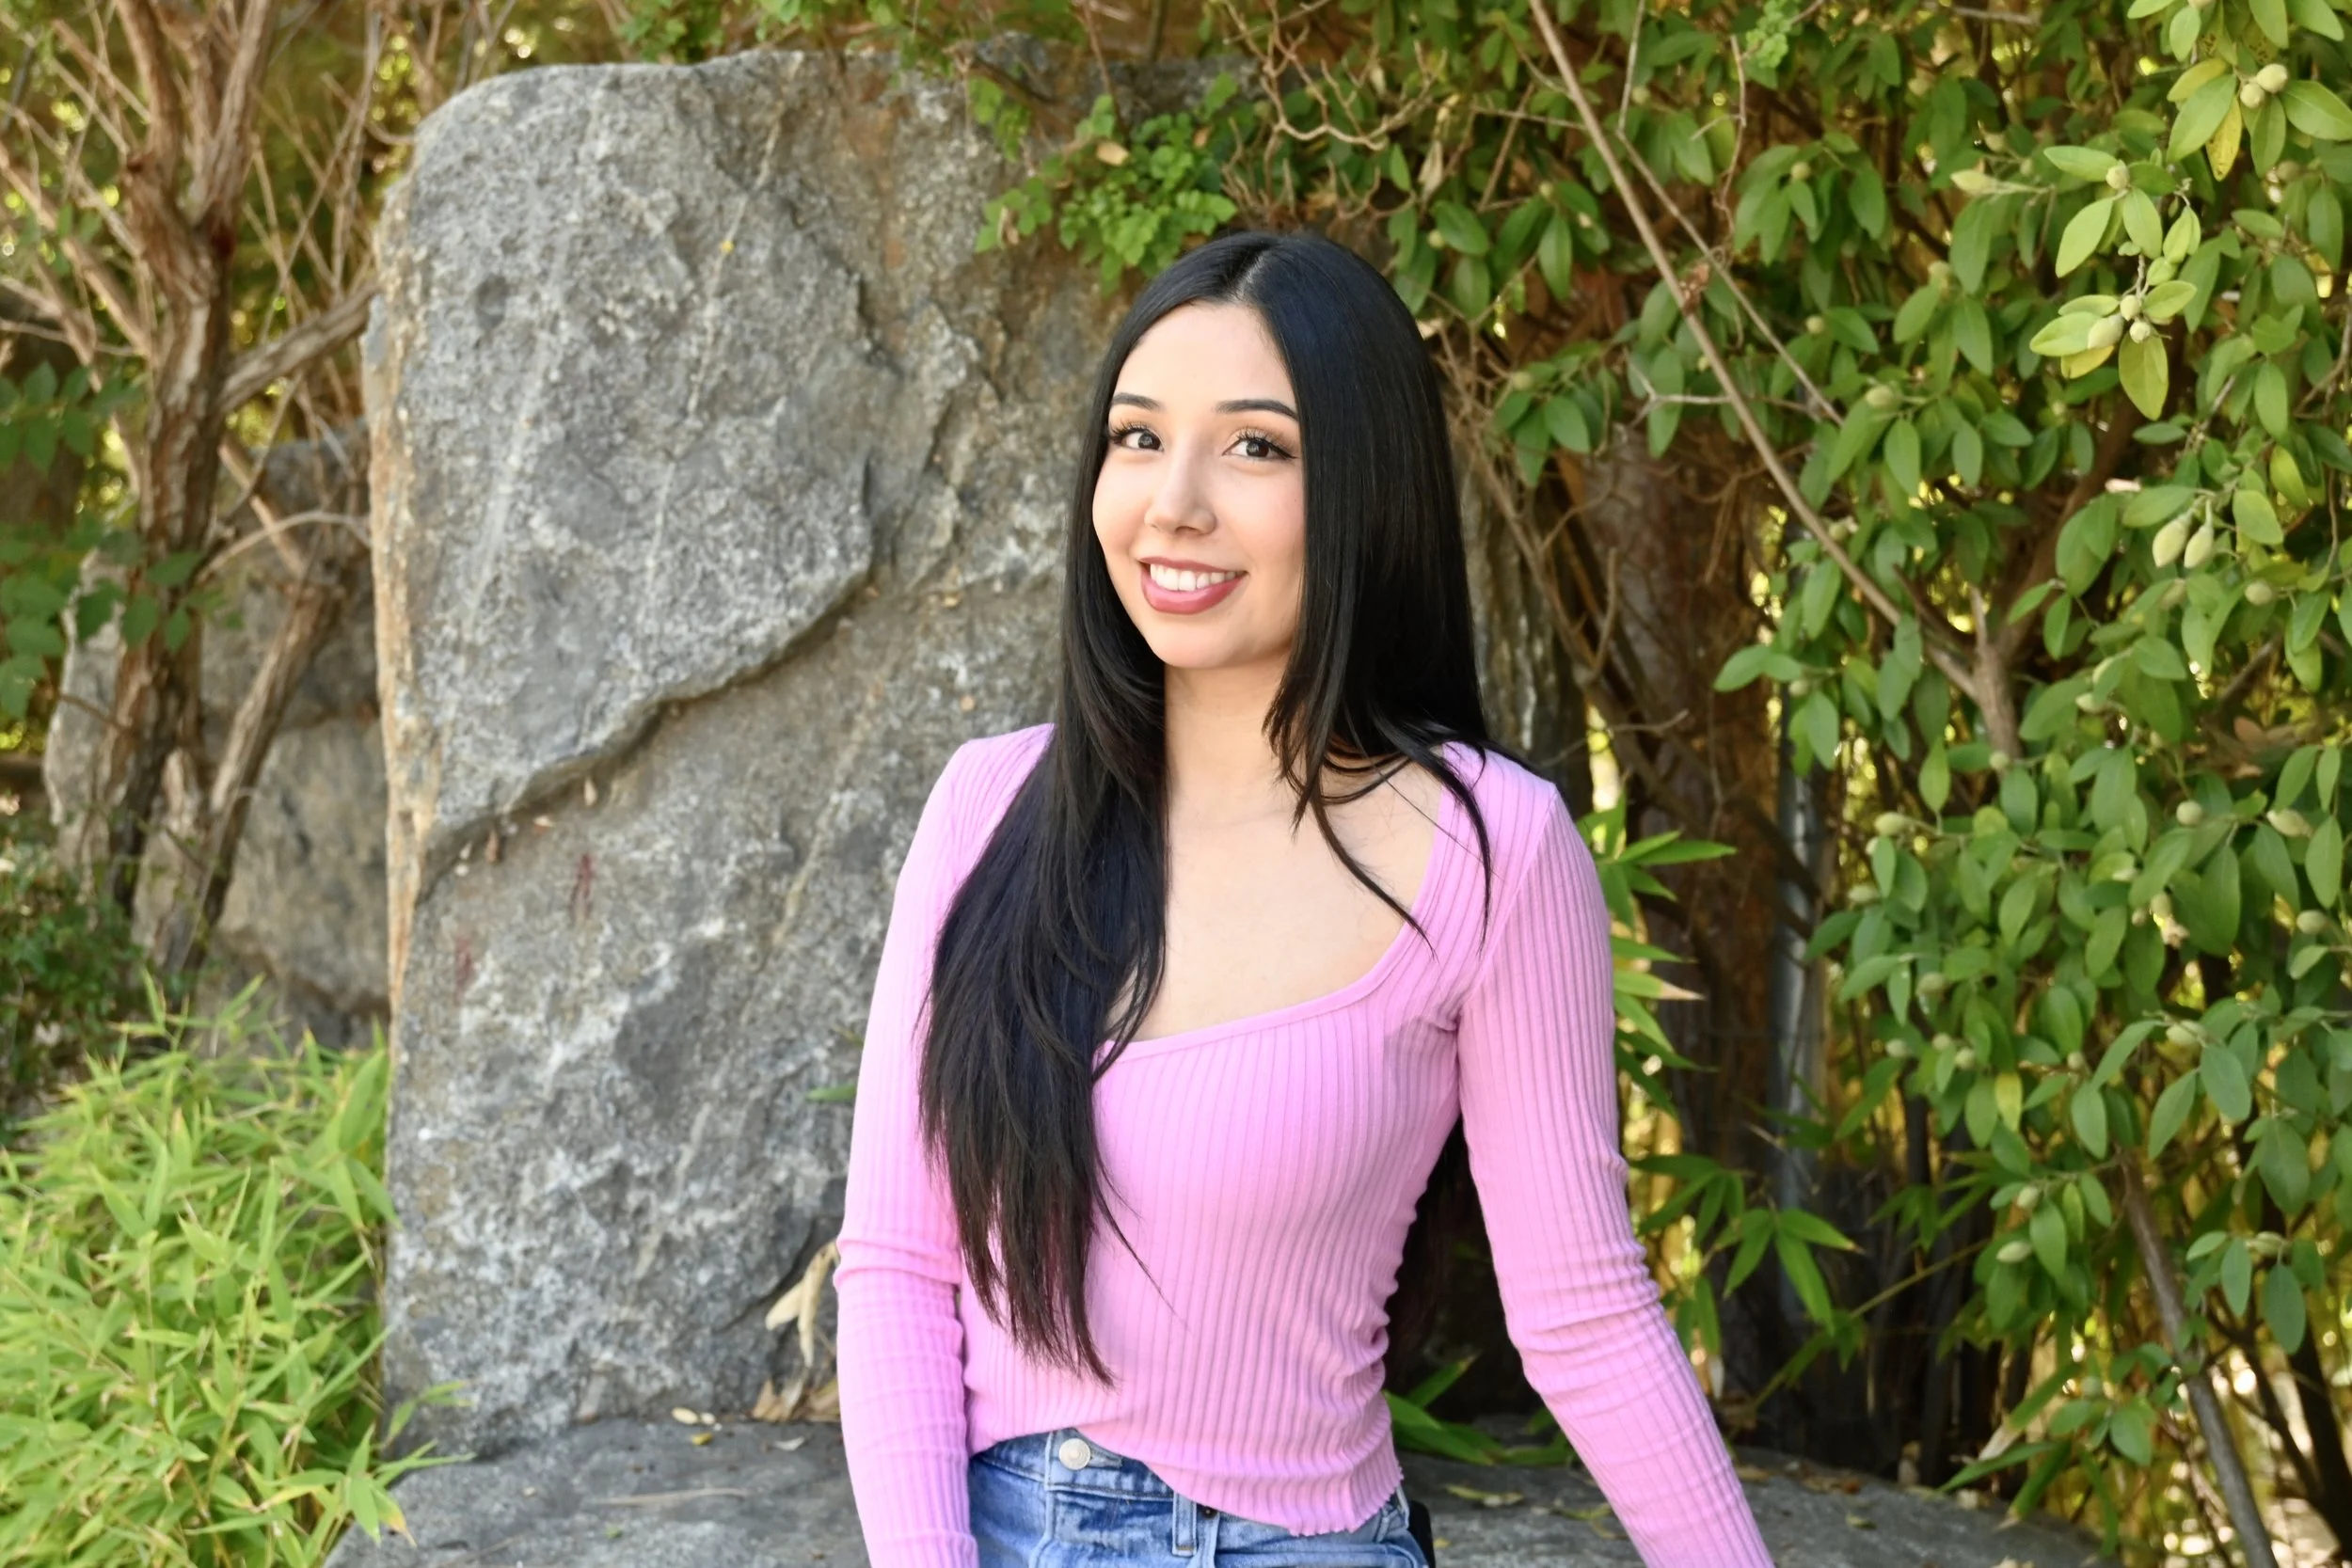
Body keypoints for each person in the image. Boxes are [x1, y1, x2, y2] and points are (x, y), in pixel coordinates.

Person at [833, 228, 1772, 1567]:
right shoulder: (992, 810)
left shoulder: (1493, 849)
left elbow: (1584, 1313)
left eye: (1256, 448)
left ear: (1363, 489)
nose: (1174, 503)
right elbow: (898, 1269)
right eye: (1138, 438)